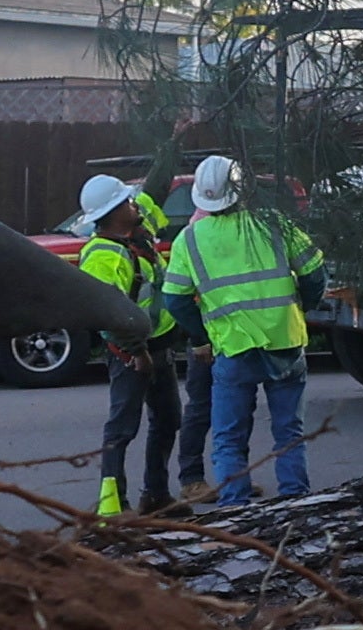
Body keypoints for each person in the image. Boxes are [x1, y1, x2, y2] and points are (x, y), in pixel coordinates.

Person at [156, 152, 333, 507]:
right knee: (289, 431)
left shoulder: (189, 240)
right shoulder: (274, 223)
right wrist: (302, 307)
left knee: (229, 437)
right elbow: (315, 274)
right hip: (285, 341)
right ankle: (295, 501)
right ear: (242, 190)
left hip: (233, 347)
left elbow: (174, 301)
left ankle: (235, 509)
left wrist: (202, 335)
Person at [75, 167, 191, 520]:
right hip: (130, 354)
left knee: (168, 418)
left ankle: (155, 495)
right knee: (122, 427)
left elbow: (153, 191)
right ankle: (112, 505)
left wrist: (173, 143)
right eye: (126, 201)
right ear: (112, 215)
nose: (134, 203)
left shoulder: (137, 235)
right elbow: (109, 315)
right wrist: (137, 353)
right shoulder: (102, 257)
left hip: (155, 347)